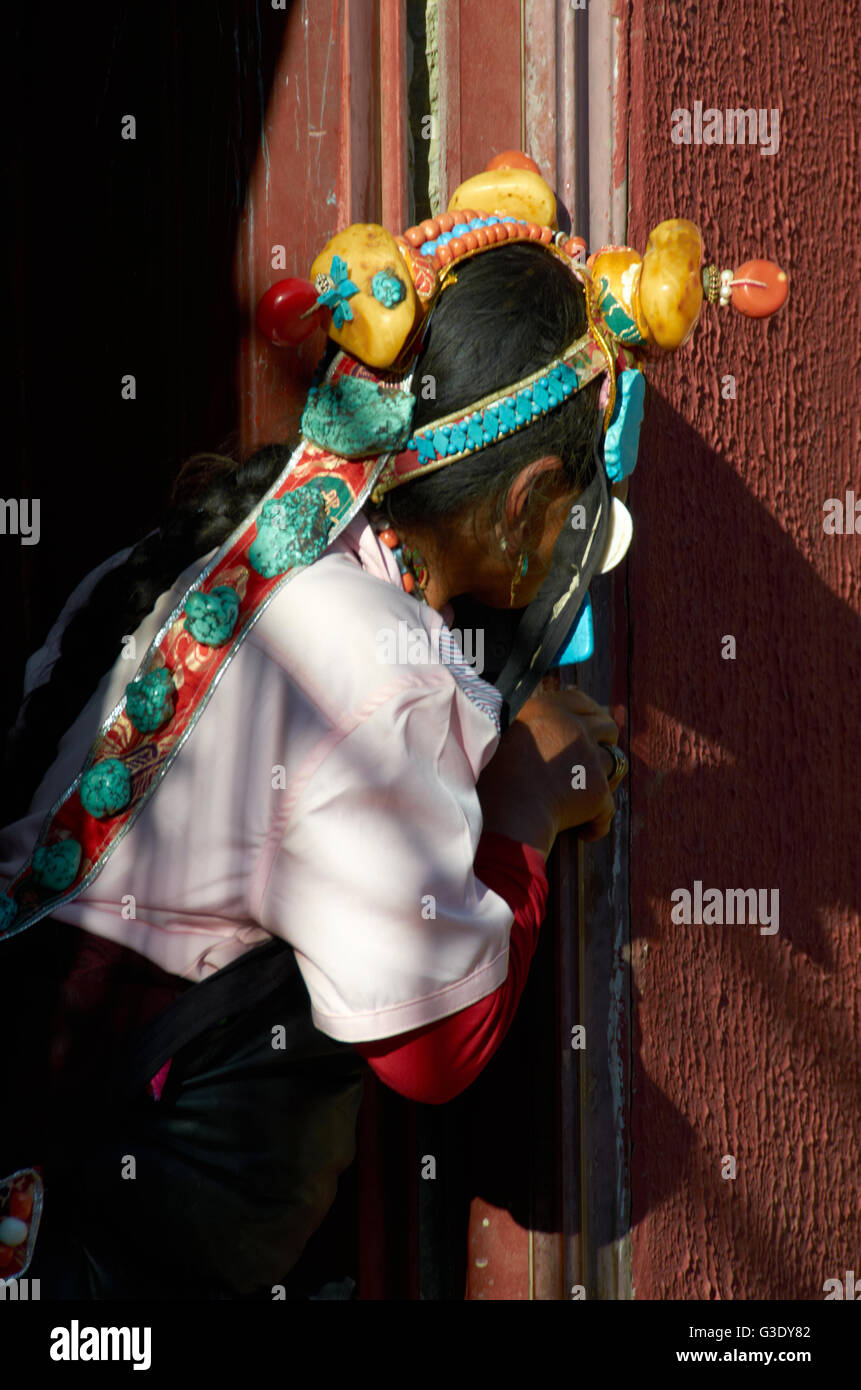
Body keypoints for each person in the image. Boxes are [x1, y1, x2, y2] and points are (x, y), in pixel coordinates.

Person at [2, 159, 778, 1297]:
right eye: (574, 517)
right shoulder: (384, 670)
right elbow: (431, 1047)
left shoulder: (198, 549)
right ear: (526, 505)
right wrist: (526, 809)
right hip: (91, 1230)